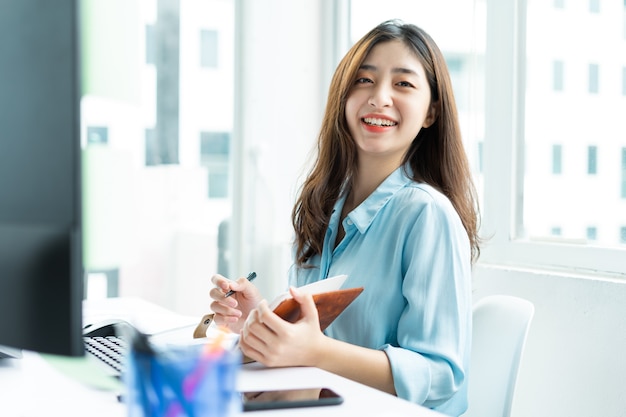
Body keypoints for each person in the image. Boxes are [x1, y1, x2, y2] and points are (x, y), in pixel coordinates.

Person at [209, 19, 480, 417]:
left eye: (403, 84)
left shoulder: (427, 214)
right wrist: (263, 322)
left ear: (430, 112)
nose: (379, 97)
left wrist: (316, 352)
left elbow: (441, 375)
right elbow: (317, 335)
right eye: (364, 80)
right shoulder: (323, 206)